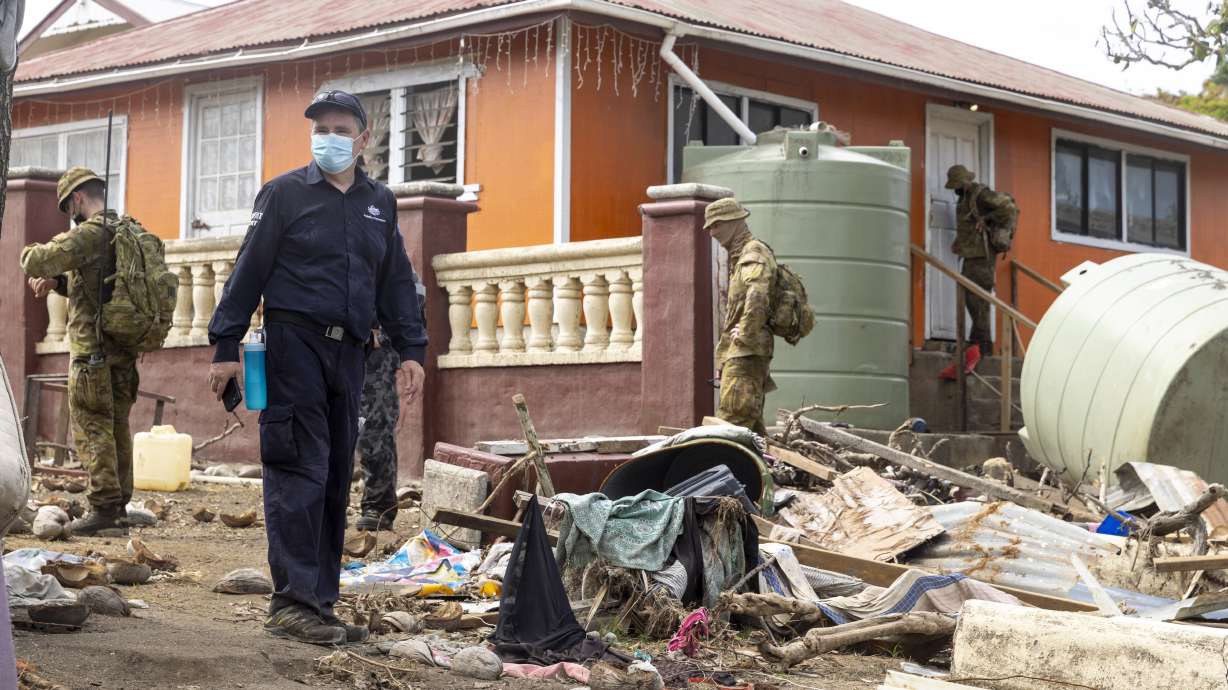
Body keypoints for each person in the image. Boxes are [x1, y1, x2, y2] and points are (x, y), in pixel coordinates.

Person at [207, 90, 427, 646]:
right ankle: (291, 602)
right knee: (298, 467)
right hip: (293, 346)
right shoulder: (283, 194)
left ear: (363, 136)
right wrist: (224, 345)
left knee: (333, 477)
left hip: (350, 353)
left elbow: (395, 279)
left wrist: (412, 350)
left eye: (339, 127)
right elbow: (248, 268)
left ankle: (320, 601)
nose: (328, 136)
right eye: (320, 127)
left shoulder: (379, 201)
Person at [20, 167, 140, 537]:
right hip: (123, 349)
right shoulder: (128, 231)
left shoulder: (90, 233)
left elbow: (36, 259)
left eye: (66, 207)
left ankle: (104, 508)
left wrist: (30, 256)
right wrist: (59, 284)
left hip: (93, 354)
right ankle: (118, 507)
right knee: (118, 425)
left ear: (77, 199)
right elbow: (98, 289)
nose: (68, 215)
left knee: (92, 428)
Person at [707, 197, 777, 436]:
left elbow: (758, 293)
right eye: (709, 227)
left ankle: (719, 472)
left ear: (735, 222)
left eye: (716, 225)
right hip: (742, 352)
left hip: (746, 352)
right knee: (751, 426)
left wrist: (744, 335)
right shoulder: (740, 256)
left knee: (730, 425)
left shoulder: (752, 252)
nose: (712, 233)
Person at [944, 164, 1016, 375]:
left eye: (956, 184)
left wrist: (987, 219)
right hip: (971, 256)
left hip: (982, 257)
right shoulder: (965, 197)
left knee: (979, 301)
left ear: (964, 182)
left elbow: (1008, 207)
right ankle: (977, 345)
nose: (955, 189)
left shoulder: (981, 194)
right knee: (972, 300)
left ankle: (981, 347)